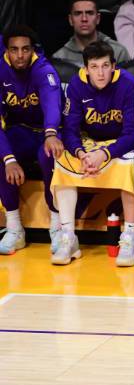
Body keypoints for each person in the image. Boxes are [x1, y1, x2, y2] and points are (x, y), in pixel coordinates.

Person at [51, 40, 134, 266]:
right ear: (85, 69)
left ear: (113, 66)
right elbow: (69, 130)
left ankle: (129, 237)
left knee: (130, 165)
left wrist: (104, 154)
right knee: (62, 159)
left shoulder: (129, 84)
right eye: (94, 67)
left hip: (119, 143)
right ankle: (68, 237)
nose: (100, 73)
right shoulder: (76, 84)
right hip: (89, 143)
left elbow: (132, 133)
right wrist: (81, 154)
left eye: (104, 66)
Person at [0, 26, 63, 255]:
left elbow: (51, 105)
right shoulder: (1, 70)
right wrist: (9, 159)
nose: (20, 55)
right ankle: (14, 228)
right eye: (14, 49)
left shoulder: (44, 70)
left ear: (32, 49)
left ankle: (57, 228)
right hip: (22, 130)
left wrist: (50, 134)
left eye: (25, 49)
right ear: (6, 50)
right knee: (2, 156)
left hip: (51, 130)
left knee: (49, 155)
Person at [53, 0, 129, 67]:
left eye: (90, 13)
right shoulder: (59, 57)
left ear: (98, 18)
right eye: (78, 13)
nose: (84, 19)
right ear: (70, 20)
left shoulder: (118, 52)